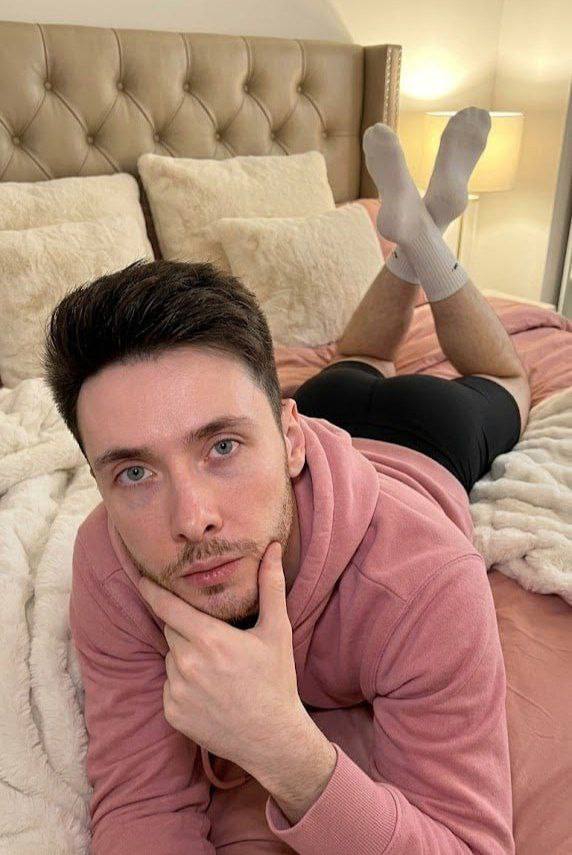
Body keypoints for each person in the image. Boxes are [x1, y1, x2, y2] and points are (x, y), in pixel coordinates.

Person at [43, 108, 523, 854]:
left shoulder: (425, 578)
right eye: (134, 470)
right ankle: (411, 235)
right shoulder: (111, 560)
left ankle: (426, 237)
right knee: (356, 359)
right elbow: (141, 804)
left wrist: (284, 750)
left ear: (289, 437)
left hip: (428, 439)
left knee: (507, 378)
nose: (192, 518)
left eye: (221, 446)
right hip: (329, 400)